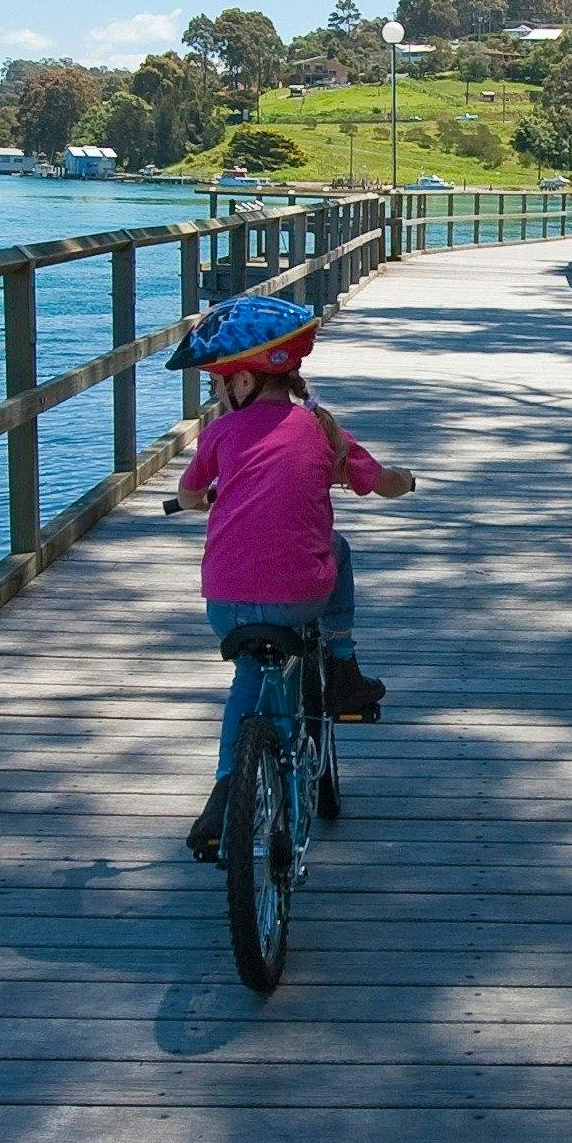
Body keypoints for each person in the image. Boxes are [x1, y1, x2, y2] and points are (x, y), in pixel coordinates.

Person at [167, 292, 415, 861]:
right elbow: (379, 481)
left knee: (246, 680)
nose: (218, 395)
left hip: (225, 603)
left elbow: (187, 493)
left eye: (218, 384)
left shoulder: (220, 436)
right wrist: (405, 479)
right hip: (300, 599)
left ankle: (226, 788)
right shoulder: (321, 430)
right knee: (339, 550)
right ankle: (344, 661)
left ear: (245, 383)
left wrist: (202, 499)